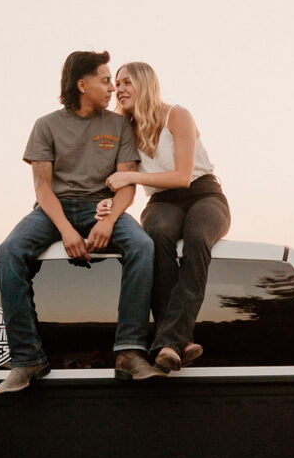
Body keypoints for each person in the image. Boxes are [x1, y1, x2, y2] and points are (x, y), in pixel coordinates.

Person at [0, 51, 162, 395]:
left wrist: (109, 220)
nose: (112, 88)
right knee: (9, 252)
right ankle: (27, 359)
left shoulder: (118, 126)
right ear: (82, 85)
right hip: (53, 209)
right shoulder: (46, 125)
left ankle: (129, 352)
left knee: (143, 245)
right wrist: (67, 231)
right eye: (104, 80)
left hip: (100, 208)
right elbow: (42, 187)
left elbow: (128, 183)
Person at [98, 61, 231, 373]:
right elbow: (121, 180)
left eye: (127, 82)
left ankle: (167, 341)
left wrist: (131, 179)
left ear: (146, 84)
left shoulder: (178, 115)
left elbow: (183, 176)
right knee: (156, 236)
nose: (119, 89)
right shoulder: (124, 129)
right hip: (161, 201)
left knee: (198, 239)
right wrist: (106, 207)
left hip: (204, 193)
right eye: (118, 83)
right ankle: (179, 343)